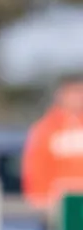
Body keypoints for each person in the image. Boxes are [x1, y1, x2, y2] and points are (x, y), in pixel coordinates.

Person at [22, 75, 83, 211]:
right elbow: (35, 167)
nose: (77, 98)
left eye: (80, 92)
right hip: (56, 206)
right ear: (61, 95)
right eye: (73, 93)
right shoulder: (45, 129)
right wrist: (40, 199)